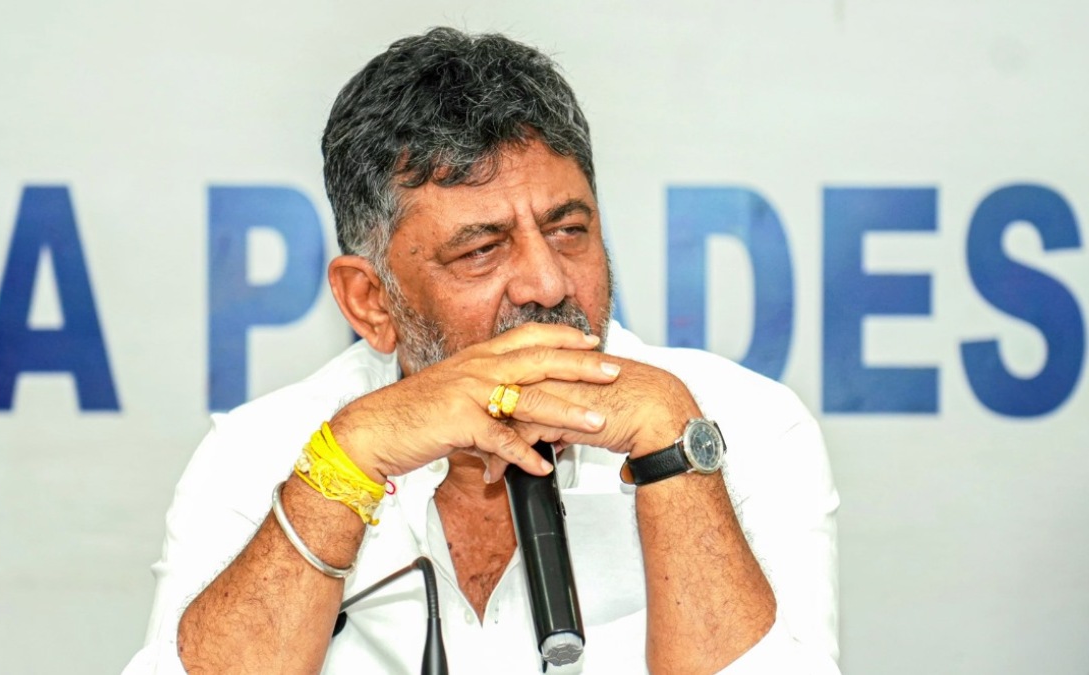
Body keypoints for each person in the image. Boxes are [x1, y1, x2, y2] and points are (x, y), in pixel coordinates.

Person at [124, 27, 839, 674]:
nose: (547, 283)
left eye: (568, 231)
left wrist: (672, 455)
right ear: (371, 301)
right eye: (481, 250)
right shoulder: (262, 453)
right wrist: (347, 461)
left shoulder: (739, 427)